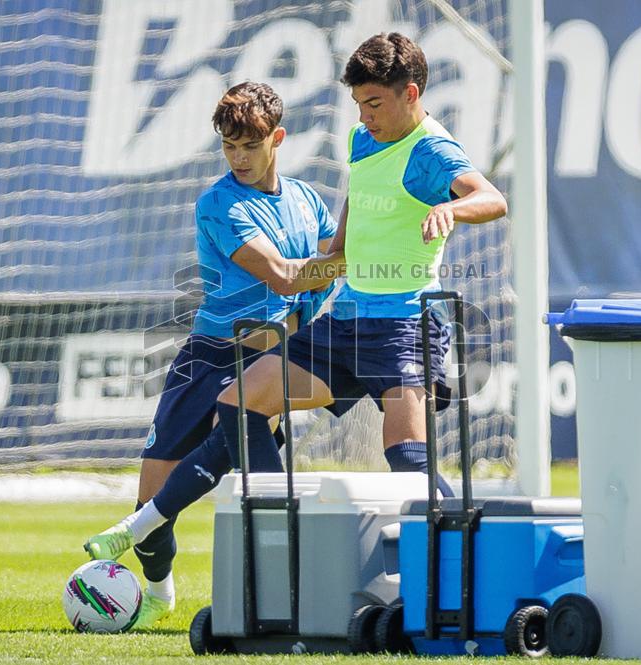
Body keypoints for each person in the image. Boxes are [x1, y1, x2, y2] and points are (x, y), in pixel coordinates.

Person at [83, 31, 509, 588]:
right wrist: (340, 254)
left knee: (408, 462)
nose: (364, 115)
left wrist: (454, 212)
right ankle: (271, 554)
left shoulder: (431, 150)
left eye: (373, 103)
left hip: (404, 324)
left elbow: (491, 198)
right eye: (358, 104)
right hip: (327, 325)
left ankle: (480, 575)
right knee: (238, 405)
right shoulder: (360, 141)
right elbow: (356, 202)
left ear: (411, 93)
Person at [83, 81, 342, 630]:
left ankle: (282, 599)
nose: (238, 158)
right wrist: (344, 265)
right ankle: (158, 594)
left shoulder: (306, 200)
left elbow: (326, 264)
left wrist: (328, 279)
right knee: (150, 501)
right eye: (229, 147)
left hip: (268, 368)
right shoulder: (218, 203)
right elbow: (286, 274)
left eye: (249, 145)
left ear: (278, 138)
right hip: (208, 356)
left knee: (260, 488)